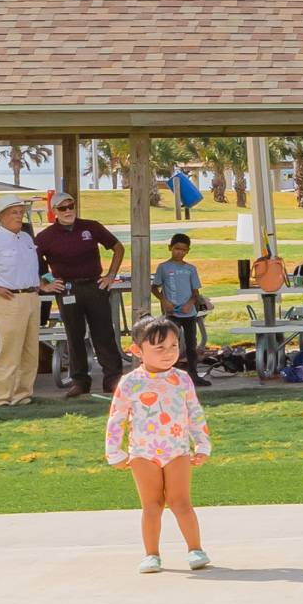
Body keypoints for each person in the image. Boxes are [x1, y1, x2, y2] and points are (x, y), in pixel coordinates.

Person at [105, 314, 212, 570]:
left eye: (173, 346)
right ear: (137, 351)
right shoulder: (130, 382)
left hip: (177, 451)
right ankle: (151, 554)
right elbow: (116, 417)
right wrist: (114, 452)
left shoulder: (183, 379)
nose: (168, 353)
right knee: (151, 506)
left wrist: (202, 444)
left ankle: (195, 550)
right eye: (159, 347)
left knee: (181, 502)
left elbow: (195, 413)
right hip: (143, 454)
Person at [33, 188, 126, 400]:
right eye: (62, 208)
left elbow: (118, 247)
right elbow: (29, 261)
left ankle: (112, 378)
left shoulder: (91, 227)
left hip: (95, 286)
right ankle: (80, 382)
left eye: (71, 206)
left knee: (104, 333)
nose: (68, 211)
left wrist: (111, 275)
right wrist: (43, 284)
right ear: (54, 211)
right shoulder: (46, 236)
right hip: (67, 289)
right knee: (74, 336)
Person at [0, 196, 40, 407]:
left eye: (20, 212)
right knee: (9, 351)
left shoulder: (26, 238)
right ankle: (0, 399)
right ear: (1, 217)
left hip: (32, 298)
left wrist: (40, 284)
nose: (19, 216)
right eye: (13, 212)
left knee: (30, 351)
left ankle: (22, 396)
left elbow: (29, 269)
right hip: (8, 300)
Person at [152, 233, 214, 386]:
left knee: (191, 345)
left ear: (188, 251)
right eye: (176, 248)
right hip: (172, 313)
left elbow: (195, 292)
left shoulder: (190, 269)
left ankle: (193, 375)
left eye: (183, 250)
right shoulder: (164, 267)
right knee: (170, 344)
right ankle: (169, 375)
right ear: (170, 248)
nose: (179, 252)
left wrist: (190, 303)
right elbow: (154, 288)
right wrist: (163, 300)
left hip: (189, 313)